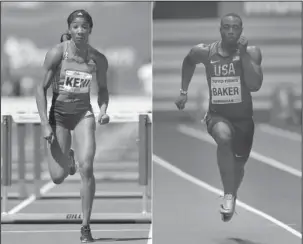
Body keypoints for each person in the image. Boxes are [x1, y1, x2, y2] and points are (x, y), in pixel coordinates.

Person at [175, 13, 263, 222]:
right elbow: (188, 61)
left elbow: (254, 85)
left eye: (235, 27)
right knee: (223, 138)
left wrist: (242, 54)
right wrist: (183, 91)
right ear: (220, 29)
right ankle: (229, 195)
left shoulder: (252, 53)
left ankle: (231, 191)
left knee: (239, 166)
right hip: (217, 115)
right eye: (226, 27)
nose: (231, 31)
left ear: (241, 30)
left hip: (244, 120)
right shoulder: (205, 52)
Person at [36, 9, 110, 242]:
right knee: (58, 177)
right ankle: (67, 158)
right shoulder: (57, 53)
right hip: (58, 117)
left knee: (86, 167)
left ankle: (85, 227)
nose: (80, 30)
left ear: (90, 29)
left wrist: (103, 110)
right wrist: (44, 125)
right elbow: (40, 88)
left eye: (84, 26)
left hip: (83, 115)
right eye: (75, 26)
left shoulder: (98, 58)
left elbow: (104, 89)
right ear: (69, 29)